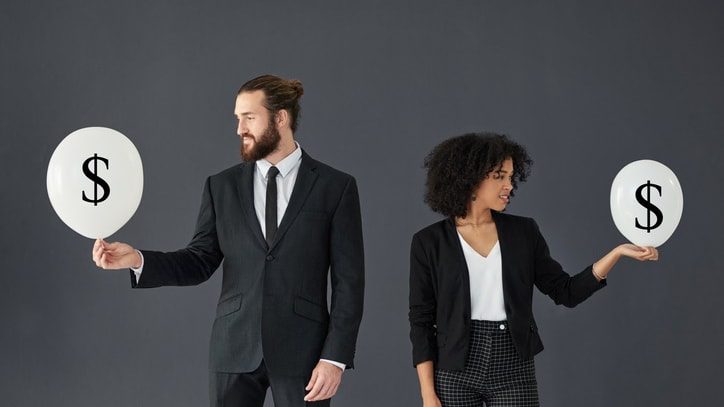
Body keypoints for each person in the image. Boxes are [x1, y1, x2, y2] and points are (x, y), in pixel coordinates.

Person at [92, 74, 365, 407]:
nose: (239, 129)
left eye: (249, 117)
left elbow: (349, 282)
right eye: (238, 119)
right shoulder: (220, 187)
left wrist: (334, 358)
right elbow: (199, 261)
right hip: (233, 348)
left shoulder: (335, 187)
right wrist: (137, 259)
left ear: (280, 118)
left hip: (304, 352)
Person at [408, 133, 658, 407]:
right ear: (470, 179)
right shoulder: (429, 242)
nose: (509, 186)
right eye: (500, 176)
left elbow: (566, 292)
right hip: (455, 369)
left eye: (511, 177)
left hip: (513, 364)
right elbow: (421, 321)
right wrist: (427, 393)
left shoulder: (524, 232)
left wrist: (616, 253)